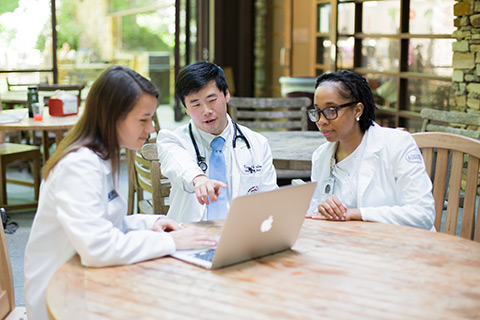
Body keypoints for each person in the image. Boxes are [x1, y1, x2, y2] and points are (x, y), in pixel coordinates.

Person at [24, 66, 216, 320]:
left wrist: (152, 222)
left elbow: (103, 222)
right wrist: (171, 242)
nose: (150, 129)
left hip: (88, 278)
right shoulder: (79, 166)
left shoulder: (103, 156)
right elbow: (98, 247)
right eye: (143, 119)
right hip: (60, 298)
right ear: (113, 117)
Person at [305, 70, 435, 230]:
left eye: (331, 111)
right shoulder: (321, 156)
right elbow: (313, 214)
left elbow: (423, 214)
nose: (321, 121)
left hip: (399, 245)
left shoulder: (398, 144)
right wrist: (322, 210)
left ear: (357, 110)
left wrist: (356, 214)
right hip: (346, 247)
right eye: (317, 111)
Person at [157, 61, 277, 222]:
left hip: (241, 237)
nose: (206, 111)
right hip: (190, 238)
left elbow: (270, 199)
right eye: (196, 104)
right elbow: (180, 164)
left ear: (226, 94)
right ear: (186, 108)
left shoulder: (257, 143)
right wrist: (199, 179)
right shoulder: (172, 140)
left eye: (211, 100)